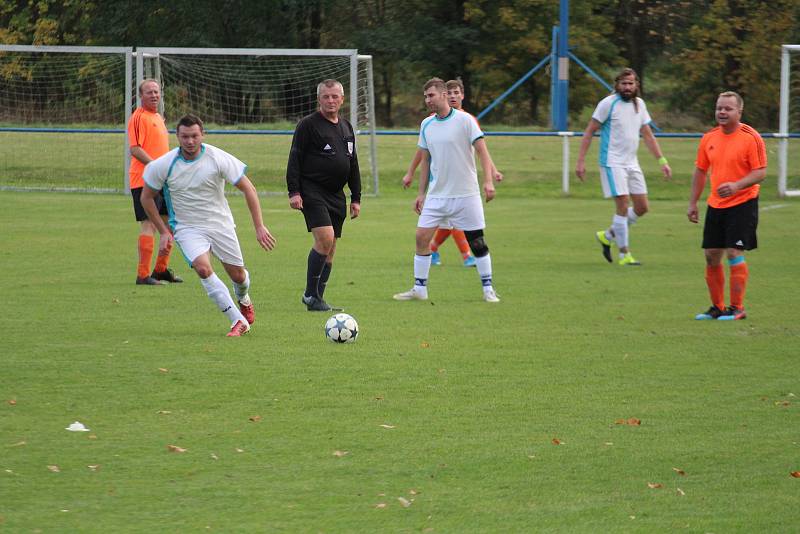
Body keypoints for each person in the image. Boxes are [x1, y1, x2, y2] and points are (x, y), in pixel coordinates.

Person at [141, 114, 276, 337]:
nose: (190, 141)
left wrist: (259, 226)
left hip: (220, 225)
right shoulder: (164, 164)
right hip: (187, 228)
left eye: (194, 136)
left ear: (202, 135)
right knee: (203, 269)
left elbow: (249, 189)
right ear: (177, 137)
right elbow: (146, 197)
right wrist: (164, 231)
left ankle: (243, 297)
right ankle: (238, 321)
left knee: (238, 276)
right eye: (185, 136)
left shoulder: (217, 157)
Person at [393, 77, 500, 303]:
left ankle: (488, 289)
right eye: (425, 96)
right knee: (421, 237)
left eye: (430, 95)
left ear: (443, 95)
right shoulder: (426, 124)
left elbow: (482, 151)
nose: (427, 100)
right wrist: (421, 193)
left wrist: (488, 181)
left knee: (477, 241)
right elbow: (425, 159)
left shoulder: (465, 120)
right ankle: (419, 289)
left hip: (466, 194)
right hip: (437, 194)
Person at [575, 68, 672, 266]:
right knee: (623, 203)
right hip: (612, 162)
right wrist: (580, 161)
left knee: (642, 207)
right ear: (617, 85)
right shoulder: (607, 104)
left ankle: (608, 234)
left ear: (637, 85)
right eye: (623, 83)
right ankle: (624, 254)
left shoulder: (640, 105)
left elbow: (647, 134)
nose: (627, 87)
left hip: (631, 162)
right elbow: (589, 131)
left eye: (631, 83)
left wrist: (662, 161)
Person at [688, 91, 766, 321]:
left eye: (728, 108)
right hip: (716, 204)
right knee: (711, 255)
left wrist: (736, 185)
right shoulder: (709, 138)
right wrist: (693, 202)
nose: (722, 112)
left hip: (743, 202)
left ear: (739, 112)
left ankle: (737, 307)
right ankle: (717, 307)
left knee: (734, 251)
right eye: (719, 108)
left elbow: (760, 172)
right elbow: (700, 171)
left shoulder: (750, 137)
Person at [286, 79, 361, 312]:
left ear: (342, 99)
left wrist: (356, 197)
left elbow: (353, 164)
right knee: (325, 239)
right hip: (312, 190)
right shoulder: (308, 125)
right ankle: (310, 295)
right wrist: (294, 191)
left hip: (337, 195)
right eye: (326, 96)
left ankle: (318, 298)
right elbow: (295, 157)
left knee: (331, 246)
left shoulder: (347, 127)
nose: (331, 100)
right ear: (319, 99)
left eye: (335, 96)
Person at [128, 78, 182, 285]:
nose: (154, 95)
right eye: (149, 92)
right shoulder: (138, 117)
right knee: (149, 224)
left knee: (169, 224)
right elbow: (135, 149)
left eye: (156, 92)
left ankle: (160, 270)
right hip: (144, 180)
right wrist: (156, 166)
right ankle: (143, 275)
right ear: (140, 96)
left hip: (163, 180)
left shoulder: (158, 116)